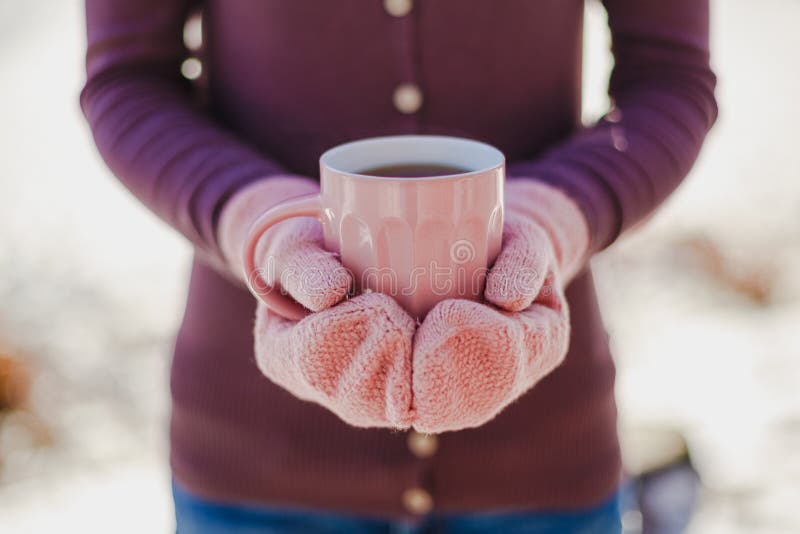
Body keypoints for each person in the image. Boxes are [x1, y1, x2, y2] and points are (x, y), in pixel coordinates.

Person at [80, 0, 717, 532]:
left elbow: (669, 75)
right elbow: (129, 76)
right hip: (254, 470)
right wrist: (257, 221)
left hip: (541, 470)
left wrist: (554, 217)